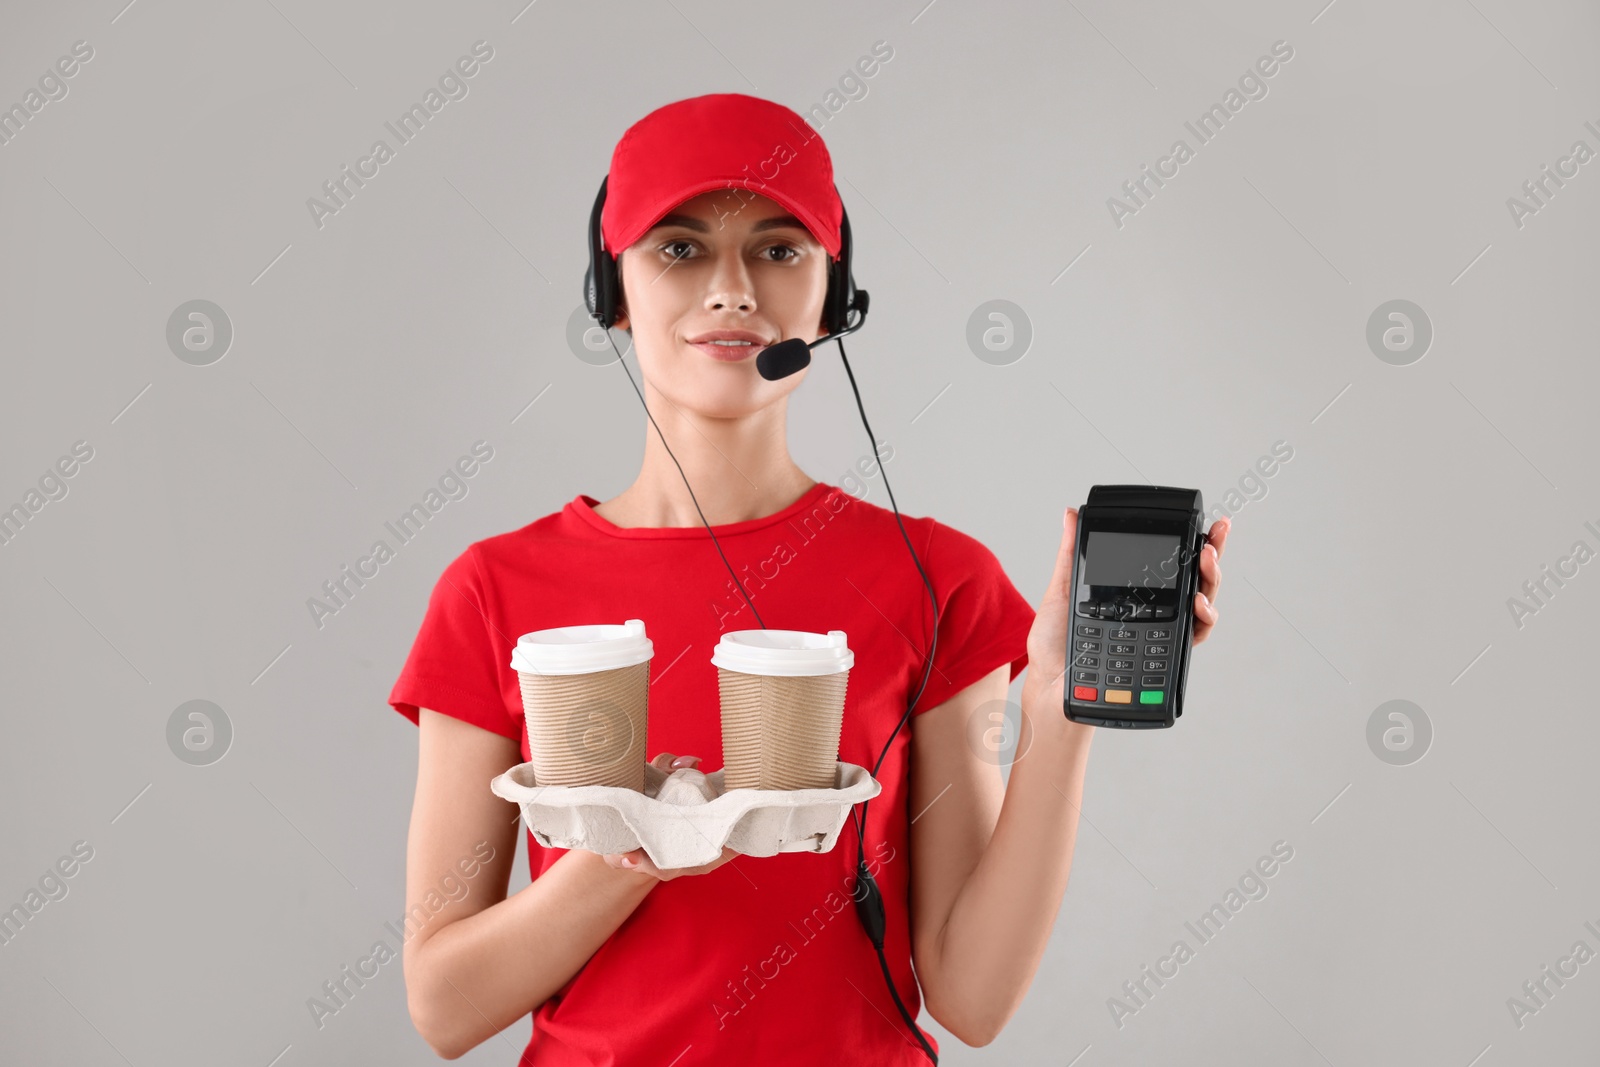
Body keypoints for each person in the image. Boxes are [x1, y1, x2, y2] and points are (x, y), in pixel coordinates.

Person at [386, 93, 1230, 1065]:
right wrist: (641, 850)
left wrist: (1058, 708)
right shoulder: (494, 589)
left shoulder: (937, 579)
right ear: (609, 290)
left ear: (834, 295)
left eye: (780, 250)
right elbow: (444, 1006)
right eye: (680, 248)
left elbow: (972, 995)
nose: (733, 289)